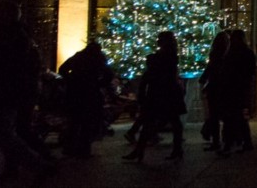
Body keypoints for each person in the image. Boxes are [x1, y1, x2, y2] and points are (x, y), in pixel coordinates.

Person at [0, 2, 55, 186]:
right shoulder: (17, 36)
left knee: (1, 135)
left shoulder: (8, 37)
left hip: (4, 94)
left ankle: (38, 165)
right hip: (7, 93)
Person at [122, 31, 186, 162]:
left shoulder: (166, 56)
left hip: (161, 92)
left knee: (152, 121)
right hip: (168, 92)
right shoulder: (169, 55)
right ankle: (176, 149)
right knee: (172, 121)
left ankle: (140, 150)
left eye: (159, 39)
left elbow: (154, 72)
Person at [58, 41, 114, 158]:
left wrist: (71, 81)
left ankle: (69, 148)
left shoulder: (79, 57)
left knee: (74, 121)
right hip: (90, 93)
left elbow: (62, 69)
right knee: (87, 122)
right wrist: (99, 84)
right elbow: (108, 74)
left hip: (75, 92)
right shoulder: (98, 59)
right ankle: (83, 149)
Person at [219, 29, 256, 155]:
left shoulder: (231, 53)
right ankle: (245, 141)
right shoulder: (247, 52)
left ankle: (230, 143)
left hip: (232, 89)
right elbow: (251, 72)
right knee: (240, 117)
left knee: (231, 117)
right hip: (241, 89)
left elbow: (226, 72)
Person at [199, 31, 230, 151]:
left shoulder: (215, 55)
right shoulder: (228, 56)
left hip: (214, 88)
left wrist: (203, 80)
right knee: (226, 116)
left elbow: (210, 69)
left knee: (214, 116)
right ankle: (225, 141)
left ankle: (216, 141)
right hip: (224, 88)